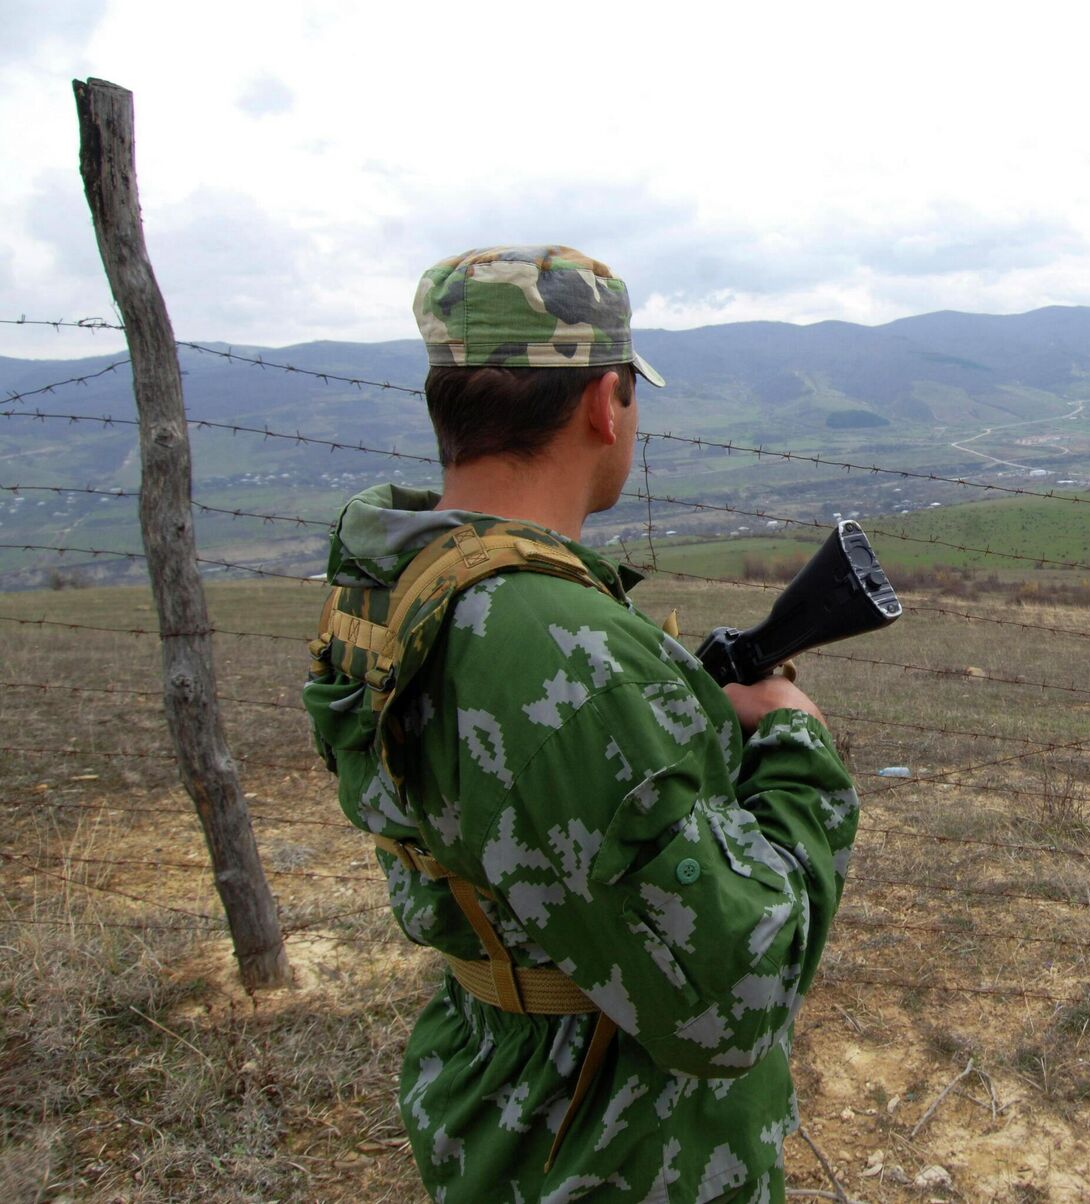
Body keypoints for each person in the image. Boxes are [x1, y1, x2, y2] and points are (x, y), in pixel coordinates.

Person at [303, 246, 859, 1203]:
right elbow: (735, 999)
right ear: (606, 403)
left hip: (495, 1095)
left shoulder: (398, 581)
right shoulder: (559, 647)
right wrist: (796, 744)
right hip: (612, 1148)